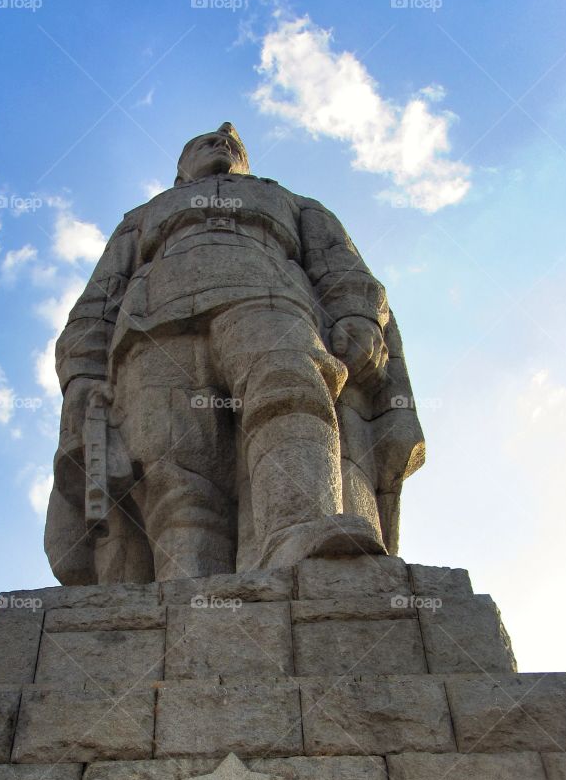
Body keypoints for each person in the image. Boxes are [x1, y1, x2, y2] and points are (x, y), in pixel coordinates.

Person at [45, 123, 423, 584]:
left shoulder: (295, 203)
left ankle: (298, 530)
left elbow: (341, 264)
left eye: (230, 145)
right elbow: (99, 299)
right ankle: (185, 587)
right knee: (171, 467)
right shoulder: (141, 217)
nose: (220, 144)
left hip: (268, 297)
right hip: (149, 329)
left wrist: (359, 316)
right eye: (203, 142)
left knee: (290, 383)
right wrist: (83, 372)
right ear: (181, 169)